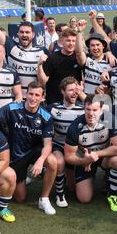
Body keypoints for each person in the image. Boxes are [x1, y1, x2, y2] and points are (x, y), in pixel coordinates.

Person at [0, 81, 58, 215]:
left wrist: (40, 161)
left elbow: (48, 144)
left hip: (34, 152)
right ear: (25, 94)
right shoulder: (12, 108)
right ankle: (16, 179)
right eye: (31, 94)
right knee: (20, 198)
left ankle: (44, 199)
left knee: (52, 161)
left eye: (37, 95)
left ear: (42, 97)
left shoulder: (46, 117)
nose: (33, 98)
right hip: (15, 155)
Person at [64, 94, 117, 212]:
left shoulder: (110, 119)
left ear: (101, 110)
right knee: (84, 199)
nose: (91, 113)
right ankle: (90, 178)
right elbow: (68, 156)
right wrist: (85, 160)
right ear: (84, 108)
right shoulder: (75, 127)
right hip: (85, 160)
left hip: (104, 157)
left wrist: (96, 155)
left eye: (95, 110)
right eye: (88, 109)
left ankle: (112, 193)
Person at [0, 0, 49, 99]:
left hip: (35, 100)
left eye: (27, 32)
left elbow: (45, 80)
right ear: (18, 34)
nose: (24, 34)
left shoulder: (42, 52)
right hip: (15, 100)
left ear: (33, 34)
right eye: (22, 32)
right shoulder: (11, 47)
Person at [46, 77, 84, 207]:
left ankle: (70, 179)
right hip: (59, 145)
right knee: (59, 161)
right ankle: (59, 194)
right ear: (63, 91)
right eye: (71, 90)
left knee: (73, 188)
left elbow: (103, 110)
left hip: (76, 148)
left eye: (76, 90)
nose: (74, 93)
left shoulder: (84, 109)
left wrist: (82, 93)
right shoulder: (53, 108)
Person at [37, 28, 83, 104]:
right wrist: (39, 65)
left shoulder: (79, 58)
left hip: (75, 102)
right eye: (68, 40)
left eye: (73, 41)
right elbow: (43, 81)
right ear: (62, 41)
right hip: (55, 102)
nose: (71, 43)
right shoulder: (52, 58)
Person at [75, 28, 111, 95]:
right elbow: (78, 52)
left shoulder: (111, 60)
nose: (95, 48)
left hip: (104, 100)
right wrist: (79, 32)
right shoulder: (87, 59)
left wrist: (109, 53)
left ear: (103, 46)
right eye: (92, 45)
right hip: (88, 99)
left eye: (98, 45)